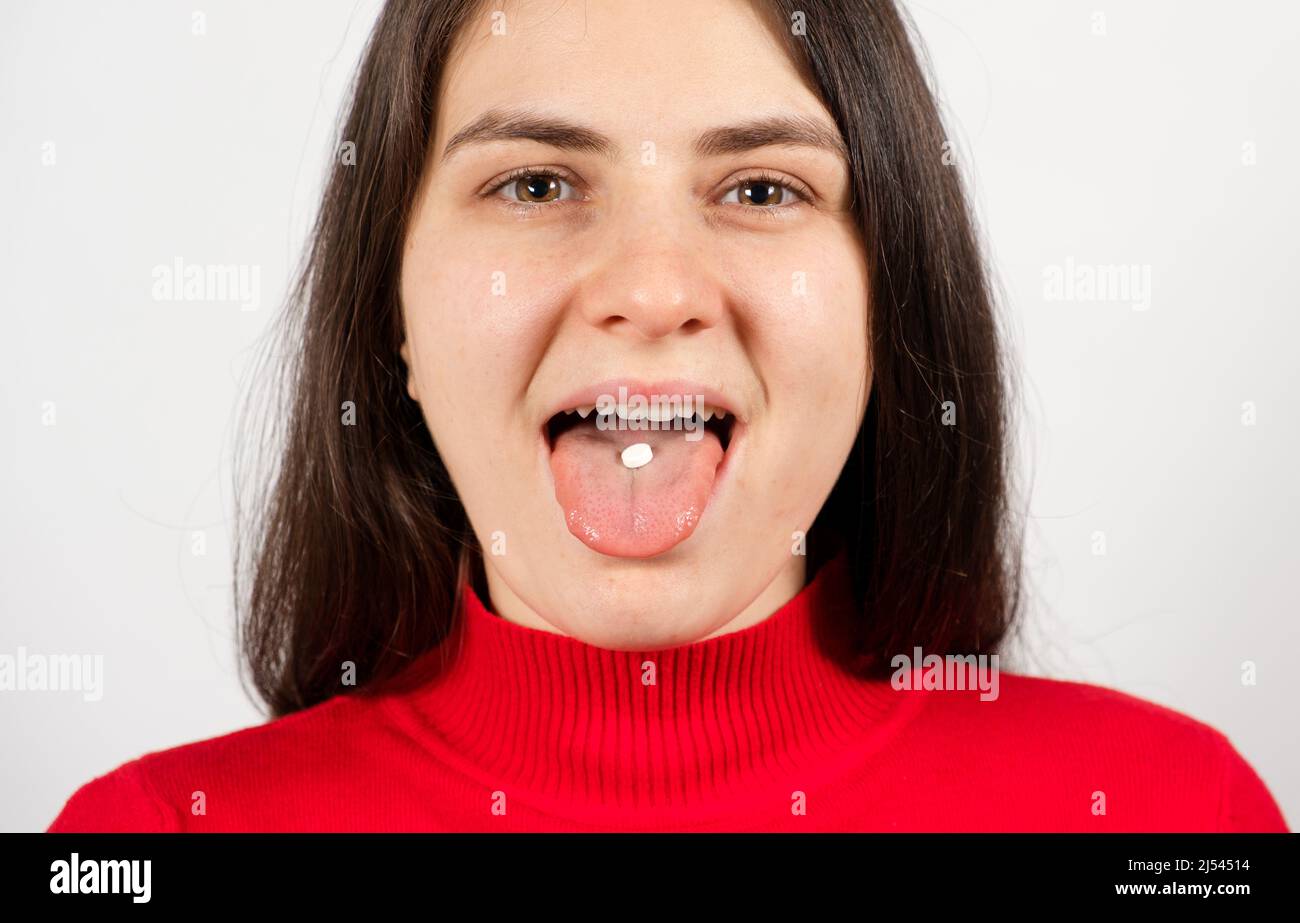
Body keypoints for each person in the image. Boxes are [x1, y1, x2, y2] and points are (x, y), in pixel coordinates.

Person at [48, 0, 1287, 832]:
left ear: (884, 301)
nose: (649, 290)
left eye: (760, 186)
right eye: (534, 182)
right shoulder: (143, 842)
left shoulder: (1166, 815)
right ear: (395, 317)